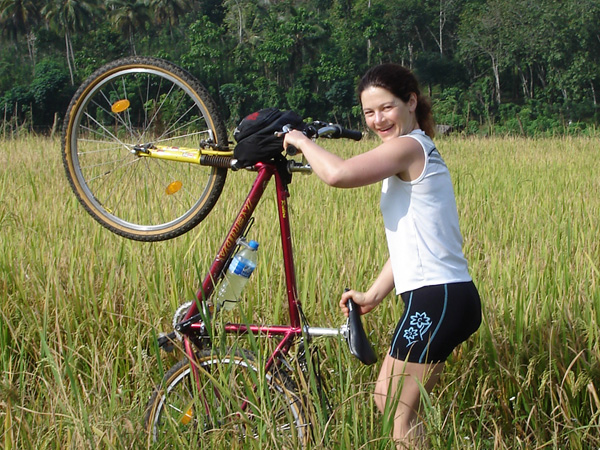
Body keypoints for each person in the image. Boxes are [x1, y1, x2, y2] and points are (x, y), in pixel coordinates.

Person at [283, 63, 482, 448]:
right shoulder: (407, 151)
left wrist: (300, 140)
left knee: (396, 409)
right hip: (439, 296)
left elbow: (338, 174)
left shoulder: (409, 147)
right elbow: (413, 241)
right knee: (389, 402)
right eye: (369, 113)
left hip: (438, 297)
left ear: (410, 102)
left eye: (386, 108)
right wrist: (374, 294)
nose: (378, 120)